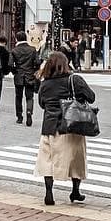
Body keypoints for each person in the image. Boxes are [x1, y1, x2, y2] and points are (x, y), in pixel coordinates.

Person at [35, 52, 93, 206]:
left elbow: (42, 104)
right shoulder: (74, 80)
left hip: (49, 126)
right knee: (76, 159)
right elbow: (91, 96)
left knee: (47, 160)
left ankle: (49, 193)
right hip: (71, 125)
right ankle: (75, 191)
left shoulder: (45, 83)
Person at [10, 30, 41, 126]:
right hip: (30, 75)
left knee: (18, 97)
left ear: (16, 39)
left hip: (19, 75)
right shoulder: (32, 49)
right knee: (29, 97)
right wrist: (34, 69)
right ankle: (29, 112)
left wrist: (15, 71)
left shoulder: (14, 50)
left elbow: (10, 64)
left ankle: (19, 117)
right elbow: (37, 62)